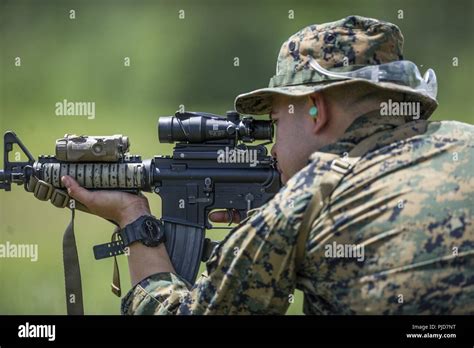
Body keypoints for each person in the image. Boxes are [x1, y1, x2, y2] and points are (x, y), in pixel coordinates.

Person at [59, 15, 473, 314]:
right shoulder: (465, 141)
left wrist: (133, 219)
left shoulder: (308, 199)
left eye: (275, 122)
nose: (272, 145)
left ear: (315, 111)